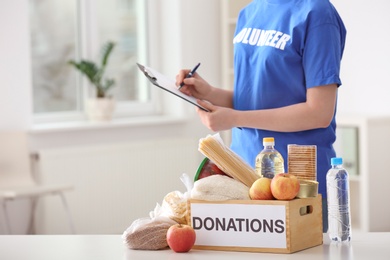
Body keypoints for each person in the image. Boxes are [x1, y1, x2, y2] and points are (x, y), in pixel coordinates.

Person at [176, 0, 346, 233]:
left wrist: (235, 118)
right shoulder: (248, 13)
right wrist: (210, 93)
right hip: (243, 176)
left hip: (297, 182)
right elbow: (255, 97)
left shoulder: (316, 14)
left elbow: (319, 113)